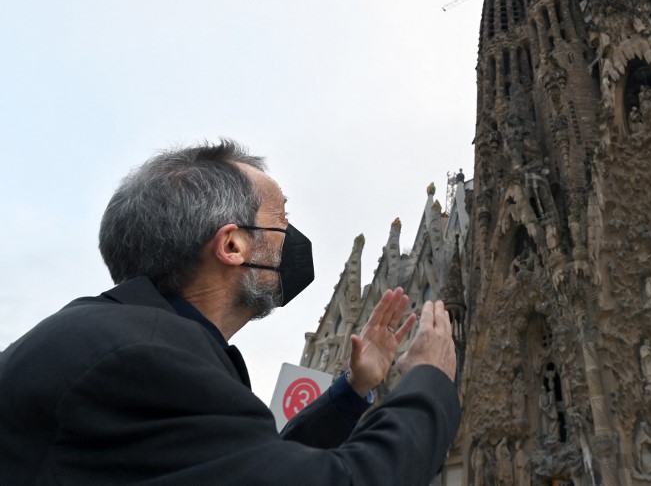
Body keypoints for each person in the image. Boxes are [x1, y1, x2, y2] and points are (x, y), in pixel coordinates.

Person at [0, 140, 460, 484]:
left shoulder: (130, 336)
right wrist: (430, 381)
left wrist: (352, 390)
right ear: (233, 245)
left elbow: (256, 465)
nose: (294, 240)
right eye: (281, 223)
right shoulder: (142, 360)